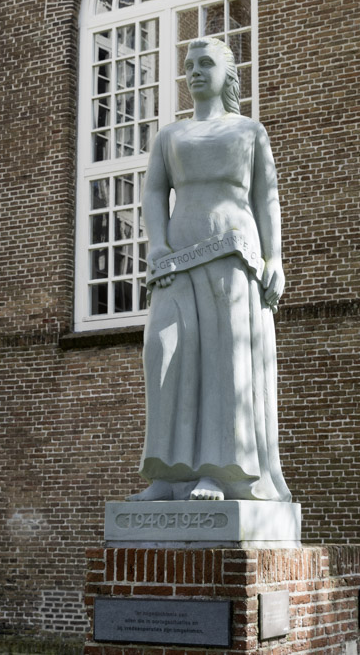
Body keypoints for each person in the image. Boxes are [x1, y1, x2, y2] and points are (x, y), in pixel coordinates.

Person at [128, 38, 291, 502]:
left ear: (227, 74)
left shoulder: (249, 131)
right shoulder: (170, 137)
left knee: (225, 360)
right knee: (166, 355)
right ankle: (167, 473)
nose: (195, 72)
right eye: (189, 65)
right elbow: (156, 193)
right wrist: (157, 245)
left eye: (206, 64)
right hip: (176, 259)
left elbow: (267, 199)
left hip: (232, 256)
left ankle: (219, 472)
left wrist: (275, 259)